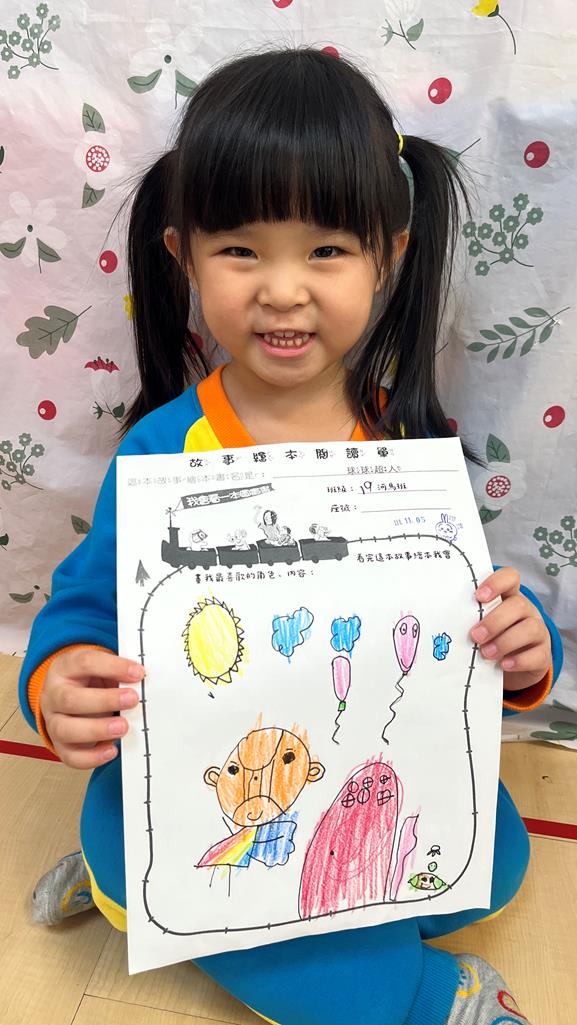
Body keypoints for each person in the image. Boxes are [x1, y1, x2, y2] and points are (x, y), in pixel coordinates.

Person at [19, 44, 563, 1025]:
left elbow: (470, 612)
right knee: (321, 955)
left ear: (388, 255)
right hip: (207, 797)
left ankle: (143, 899)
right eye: (241, 250)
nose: (281, 289)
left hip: (344, 772)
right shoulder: (164, 451)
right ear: (182, 254)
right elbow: (84, 608)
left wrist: (526, 651)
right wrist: (59, 681)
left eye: (325, 250)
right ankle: (421, 996)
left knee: (498, 860)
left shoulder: (402, 442)